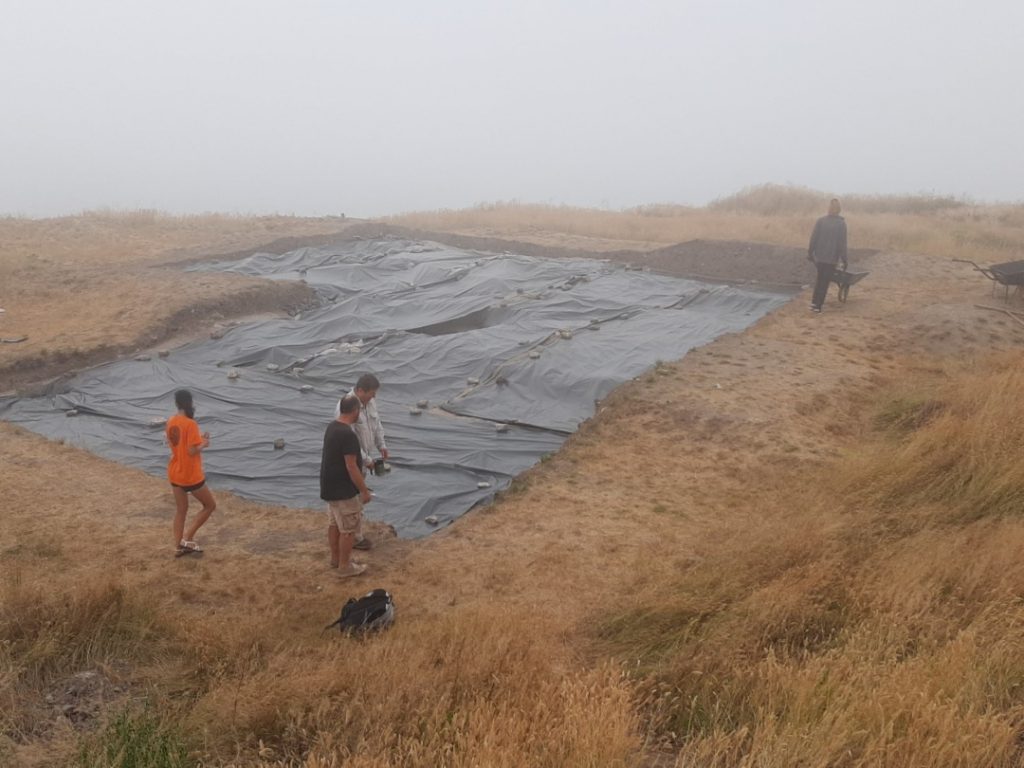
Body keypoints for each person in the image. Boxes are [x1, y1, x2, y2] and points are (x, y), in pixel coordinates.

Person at [332, 373, 388, 550]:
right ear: (361, 390)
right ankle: (354, 537)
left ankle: (352, 532)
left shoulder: (370, 403)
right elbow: (349, 441)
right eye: (372, 392)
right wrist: (366, 460)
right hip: (352, 460)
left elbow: (376, 424)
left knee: (355, 497)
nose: (374, 396)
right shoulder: (346, 407)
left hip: (363, 458)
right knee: (353, 497)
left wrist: (382, 445)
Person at [321, 393, 373, 577]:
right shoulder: (348, 435)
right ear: (355, 411)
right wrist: (364, 491)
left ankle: (336, 560)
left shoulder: (332, 427)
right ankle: (345, 567)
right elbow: (351, 467)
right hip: (344, 491)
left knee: (334, 525)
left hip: (329, 488)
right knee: (348, 530)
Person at [165, 389, 217, 557]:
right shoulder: (190, 424)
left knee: (181, 510)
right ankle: (187, 538)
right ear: (189, 403)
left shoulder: (171, 421)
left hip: (175, 472)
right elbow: (192, 451)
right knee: (209, 506)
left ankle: (178, 546)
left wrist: (198, 440)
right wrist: (204, 444)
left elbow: (179, 444)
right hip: (190, 474)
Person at [807, 198, 849, 313]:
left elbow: (813, 238)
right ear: (839, 210)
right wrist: (845, 260)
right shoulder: (841, 224)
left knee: (819, 279)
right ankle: (818, 306)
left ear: (829, 209)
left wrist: (810, 253)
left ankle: (814, 303)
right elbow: (842, 244)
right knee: (825, 282)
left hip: (819, 257)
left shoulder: (821, 221)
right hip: (831, 259)